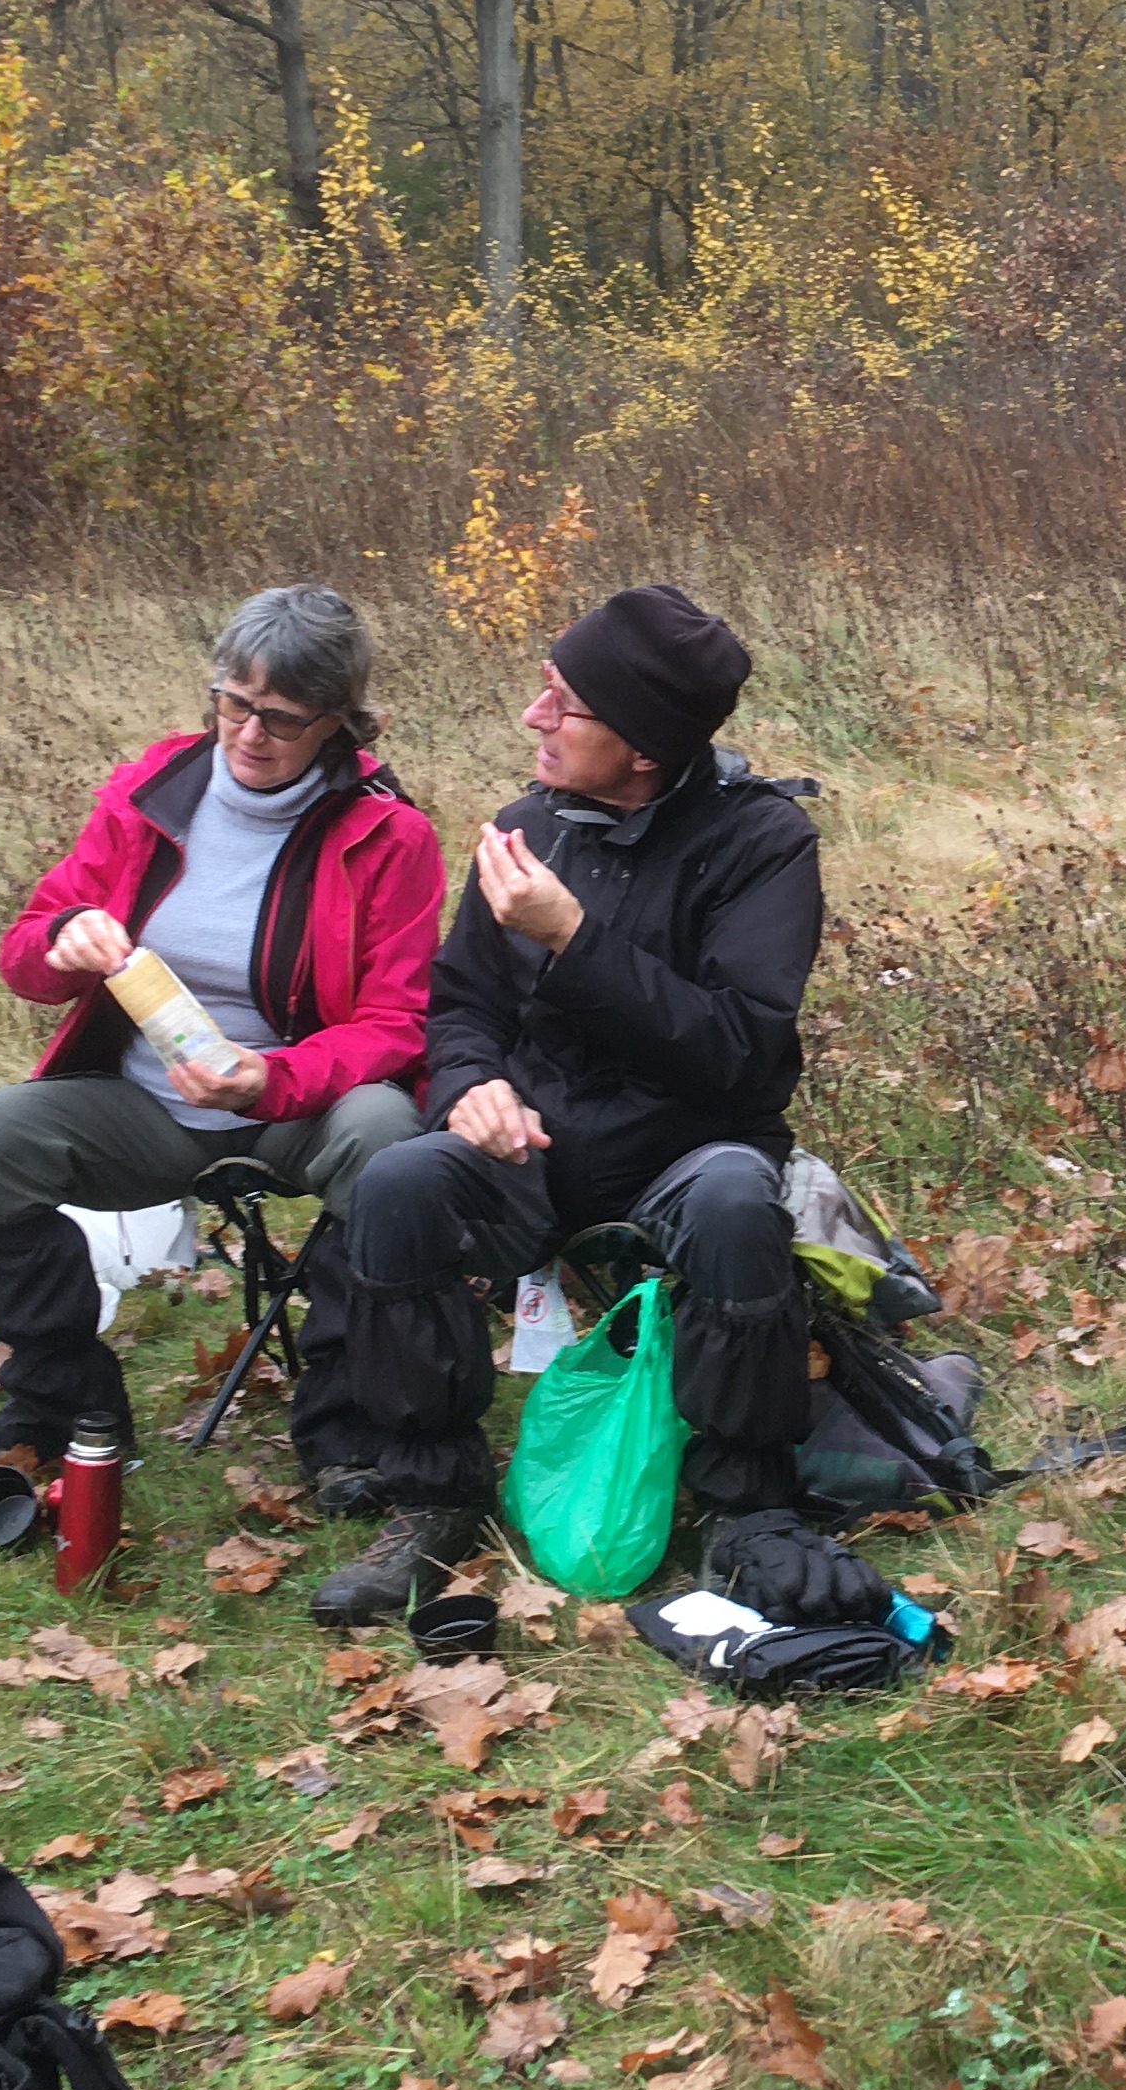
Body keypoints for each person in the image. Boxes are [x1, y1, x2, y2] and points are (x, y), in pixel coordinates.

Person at [307, 584, 876, 1633]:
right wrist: (471, 1086)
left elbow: (738, 1051)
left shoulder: (763, 843)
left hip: (690, 1149)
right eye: (545, 688)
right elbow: (461, 1004)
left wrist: (575, 939)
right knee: (397, 1181)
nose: (534, 716)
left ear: (645, 747)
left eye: (564, 705)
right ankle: (433, 1494)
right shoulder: (528, 828)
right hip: (536, 1150)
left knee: (735, 1203)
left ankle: (748, 1508)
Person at [0, 588, 440, 1492]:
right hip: (145, 1108)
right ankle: (64, 1409)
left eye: (283, 718)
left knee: (387, 1135)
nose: (249, 734)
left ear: (340, 723)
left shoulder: (389, 835)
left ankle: (348, 1424)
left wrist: (268, 1079)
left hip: (297, 1112)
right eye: (233, 703)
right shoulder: (152, 791)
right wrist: (63, 939)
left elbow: (399, 1024)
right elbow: (25, 952)